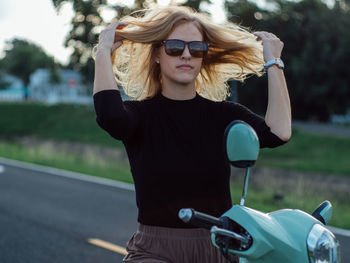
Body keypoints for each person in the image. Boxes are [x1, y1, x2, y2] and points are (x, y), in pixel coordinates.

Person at [93, 5, 291, 263]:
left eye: (196, 49)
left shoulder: (224, 116)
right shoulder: (139, 116)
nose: (186, 55)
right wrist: (103, 52)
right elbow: (110, 116)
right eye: (175, 47)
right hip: (154, 251)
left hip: (218, 248)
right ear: (157, 54)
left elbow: (279, 132)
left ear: (203, 57)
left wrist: (274, 63)